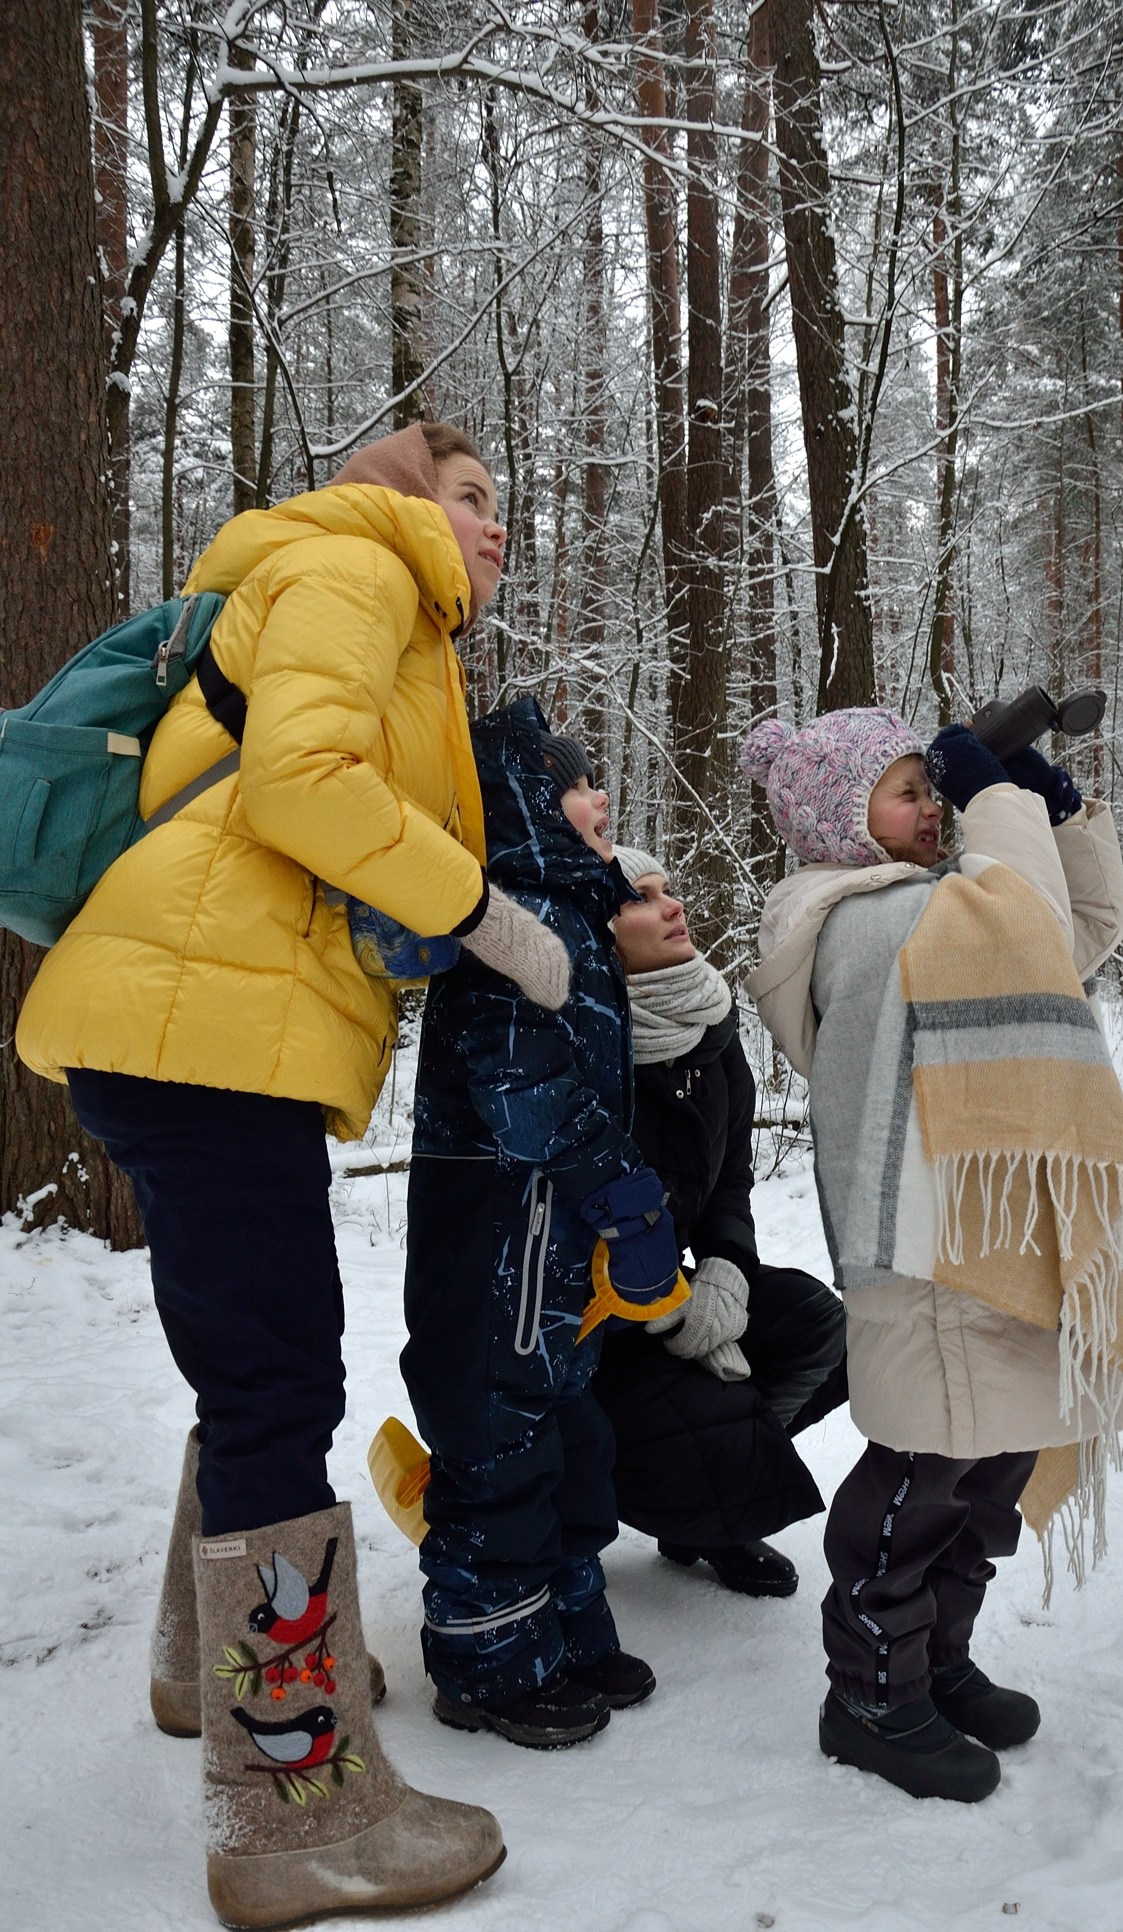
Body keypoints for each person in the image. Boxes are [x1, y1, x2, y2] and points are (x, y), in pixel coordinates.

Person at [13, 422, 578, 1922]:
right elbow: (303, 779)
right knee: (277, 1390)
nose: (496, 526)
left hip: (203, 1020)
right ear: (404, 502)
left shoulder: (350, 590)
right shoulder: (356, 568)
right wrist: (481, 914)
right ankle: (296, 1813)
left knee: (252, 1367)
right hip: (206, 1026)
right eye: (471, 497)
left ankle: (207, 1671)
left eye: (503, 505)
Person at [741, 708, 1123, 1804]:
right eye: (908, 792)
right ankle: (870, 1695)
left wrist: (1057, 817)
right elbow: (1020, 920)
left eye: (934, 790)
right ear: (843, 819)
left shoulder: (939, 907)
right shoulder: (857, 919)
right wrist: (995, 801)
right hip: (922, 1243)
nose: (933, 809)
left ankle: (936, 1659)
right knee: (923, 1472)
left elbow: (1066, 939)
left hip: (988, 1230)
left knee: (994, 1458)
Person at [401, 699, 681, 1749]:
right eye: (574, 783)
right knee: (499, 1450)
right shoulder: (511, 922)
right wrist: (624, 1191)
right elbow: (525, 1093)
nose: (600, 798)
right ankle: (488, 1660)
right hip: (495, 1247)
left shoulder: (572, 918)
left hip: (550, 1259)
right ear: (519, 801)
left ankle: (562, 1624)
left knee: (568, 1438)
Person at [589, 844, 847, 1598]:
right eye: (641, 897)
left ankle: (708, 1512)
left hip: (675, 1293)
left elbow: (728, 1183)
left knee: (821, 1327)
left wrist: (726, 1275)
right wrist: (669, 1308)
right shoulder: (582, 1047)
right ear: (597, 929)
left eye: (668, 888)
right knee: (717, 1406)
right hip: (596, 1323)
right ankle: (699, 1498)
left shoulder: (711, 1039)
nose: (674, 905)